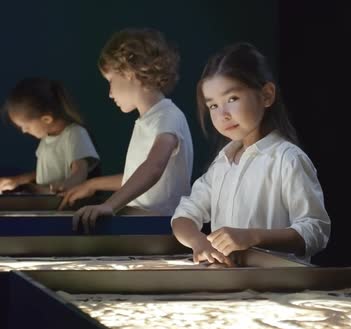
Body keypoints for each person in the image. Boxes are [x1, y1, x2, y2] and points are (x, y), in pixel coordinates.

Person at [171, 43, 330, 266]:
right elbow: (183, 215)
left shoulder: (287, 159)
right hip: (231, 287)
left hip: (279, 288)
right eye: (213, 106)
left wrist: (252, 237)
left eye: (232, 99)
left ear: (266, 95)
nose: (223, 114)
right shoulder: (222, 163)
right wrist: (199, 242)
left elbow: (316, 230)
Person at [60, 28, 193, 233]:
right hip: (141, 223)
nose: (110, 94)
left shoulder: (168, 116)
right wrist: (92, 184)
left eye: (111, 81)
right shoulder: (147, 121)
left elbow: (153, 168)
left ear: (129, 71)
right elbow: (136, 177)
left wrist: (109, 205)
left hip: (158, 228)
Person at [0, 77, 99, 193]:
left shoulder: (75, 134)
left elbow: (80, 172)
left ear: (46, 119)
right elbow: (48, 173)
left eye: (26, 126)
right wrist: (17, 180)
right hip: (47, 203)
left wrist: (62, 187)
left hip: (65, 206)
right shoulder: (46, 140)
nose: (24, 131)